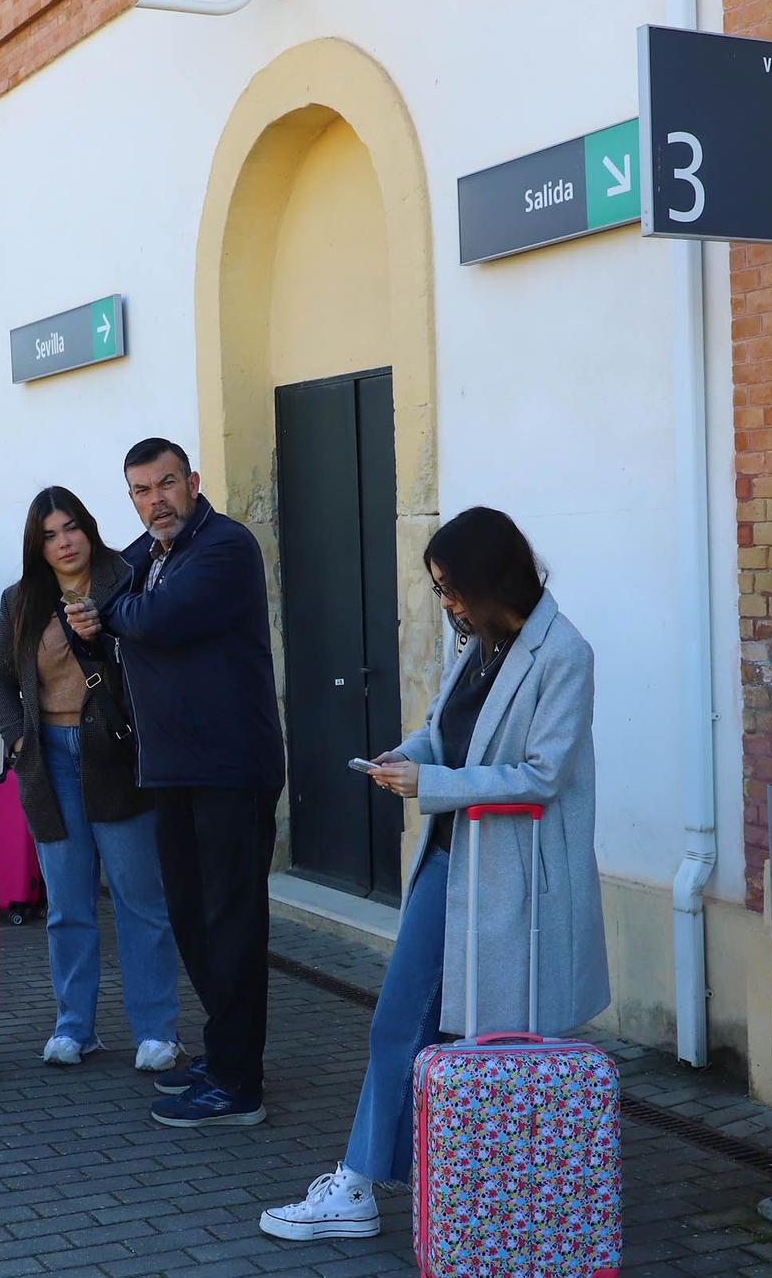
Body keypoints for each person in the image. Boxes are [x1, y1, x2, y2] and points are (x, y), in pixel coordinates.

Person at [258, 507, 607, 1242]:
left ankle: (452, 1194)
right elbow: (443, 730)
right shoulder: (478, 642)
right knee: (411, 1025)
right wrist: (405, 757)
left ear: (489, 577)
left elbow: (543, 776)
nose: (445, 602)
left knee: (477, 1041)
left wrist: (432, 787)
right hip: (454, 861)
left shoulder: (562, 653)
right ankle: (393, 1184)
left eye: (451, 587)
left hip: (510, 878)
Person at [65, 438, 285, 1129]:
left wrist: (107, 618)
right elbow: (97, 610)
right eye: (140, 490)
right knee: (191, 916)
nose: (154, 501)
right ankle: (222, 1055)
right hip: (172, 767)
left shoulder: (225, 547)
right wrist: (97, 619)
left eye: (164, 485)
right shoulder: (148, 556)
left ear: (191, 481)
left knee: (233, 922)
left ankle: (239, 1083)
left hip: (230, 766)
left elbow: (156, 621)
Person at [0, 486, 182, 1072]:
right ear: (36, 545)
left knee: (138, 899)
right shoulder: (20, 599)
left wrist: (106, 634)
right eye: (49, 535)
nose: (63, 542)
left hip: (115, 754)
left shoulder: (128, 577)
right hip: (48, 760)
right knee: (68, 903)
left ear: (87, 528)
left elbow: (156, 656)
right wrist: (17, 737)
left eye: (70, 527)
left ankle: (156, 1031)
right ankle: (75, 1026)